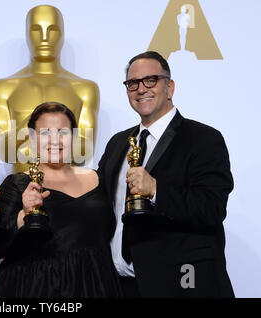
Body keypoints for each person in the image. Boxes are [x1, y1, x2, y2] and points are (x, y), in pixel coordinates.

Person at [98, 51, 234, 297]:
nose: (141, 89)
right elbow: (99, 202)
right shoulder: (118, 143)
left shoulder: (203, 139)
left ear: (169, 87)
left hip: (182, 284)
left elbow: (212, 209)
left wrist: (156, 190)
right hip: (120, 287)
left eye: (150, 80)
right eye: (133, 83)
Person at [0, 102, 120, 298]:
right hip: (36, 287)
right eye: (45, 133)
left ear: (74, 136)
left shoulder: (100, 179)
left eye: (62, 132)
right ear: (31, 138)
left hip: (96, 284)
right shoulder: (17, 184)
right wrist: (24, 214)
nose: (55, 140)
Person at [0, 5, 99, 172]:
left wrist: (30, 143)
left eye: (52, 30)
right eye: (36, 30)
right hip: (20, 189)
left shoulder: (84, 89)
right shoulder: (4, 88)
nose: (44, 37)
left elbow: (85, 152)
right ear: (27, 34)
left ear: (63, 34)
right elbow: (4, 151)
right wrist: (41, 123)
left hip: (69, 191)